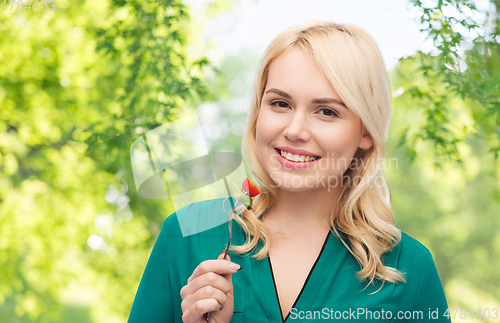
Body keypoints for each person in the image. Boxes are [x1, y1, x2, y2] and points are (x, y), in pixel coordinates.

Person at [128, 20, 451, 322]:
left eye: (326, 111)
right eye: (280, 104)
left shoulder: (408, 266)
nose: (295, 130)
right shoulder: (187, 230)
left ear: (366, 132)